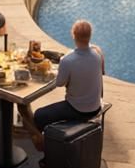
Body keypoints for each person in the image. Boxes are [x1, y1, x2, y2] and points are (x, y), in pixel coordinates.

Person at [19, 20, 104, 150]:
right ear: (90, 35)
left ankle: (41, 142)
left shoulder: (68, 60)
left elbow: (59, 83)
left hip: (77, 109)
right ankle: (42, 139)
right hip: (96, 106)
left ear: (73, 35)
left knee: (39, 115)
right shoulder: (97, 55)